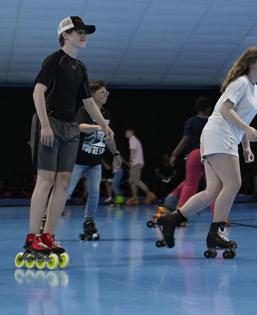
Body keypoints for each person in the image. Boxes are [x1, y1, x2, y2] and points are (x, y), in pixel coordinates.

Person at [155, 46, 257, 257]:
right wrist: (246, 130)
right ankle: (216, 232)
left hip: (222, 138)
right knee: (233, 183)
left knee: (212, 192)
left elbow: (242, 118)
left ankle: (170, 219)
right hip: (219, 134)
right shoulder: (241, 82)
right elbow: (226, 110)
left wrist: (246, 146)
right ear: (251, 62)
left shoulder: (255, 89)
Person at [20, 17, 113, 264]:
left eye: (85, 32)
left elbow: (87, 101)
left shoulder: (80, 67)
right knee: (46, 179)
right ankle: (32, 237)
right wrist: (46, 125)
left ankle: (48, 235)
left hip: (71, 128)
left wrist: (104, 126)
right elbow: (38, 92)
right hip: (50, 123)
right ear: (65, 35)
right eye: (78, 32)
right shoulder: (54, 60)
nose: (83, 36)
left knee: (63, 181)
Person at [65, 80, 121, 240]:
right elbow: (79, 126)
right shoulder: (85, 110)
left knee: (94, 193)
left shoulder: (107, 115)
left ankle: (88, 221)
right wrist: (99, 127)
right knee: (66, 191)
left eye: (107, 92)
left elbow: (109, 137)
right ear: (93, 95)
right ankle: (46, 219)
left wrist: (115, 154)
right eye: (102, 92)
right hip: (78, 160)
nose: (106, 94)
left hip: (95, 162)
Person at [151, 97, 212, 222]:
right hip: (211, 154)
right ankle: (220, 218)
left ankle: (178, 212)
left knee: (190, 183)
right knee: (215, 186)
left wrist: (174, 154)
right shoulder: (213, 121)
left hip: (194, 154)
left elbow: (185, 140)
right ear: (209, 108)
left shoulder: (192, 121)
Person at [125, 129, 156, 205]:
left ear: (131, 132)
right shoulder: (135, 139)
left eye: (127, 132)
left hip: (136, 163)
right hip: (137, 163)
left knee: (136, 180)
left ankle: (150, 194)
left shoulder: (132, 139)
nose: (125, 134)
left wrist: (131, 161)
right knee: (132, 181)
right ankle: (135, 198)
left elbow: (132, 151)